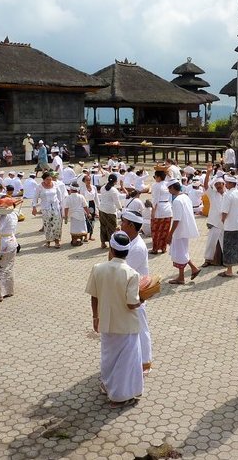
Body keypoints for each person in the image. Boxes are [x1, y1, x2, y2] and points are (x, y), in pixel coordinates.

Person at [86, 231, 143, 409]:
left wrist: (95, 317)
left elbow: (94, 296)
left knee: (108, 357)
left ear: (111, 249)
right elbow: (132, 303)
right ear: (127, 252)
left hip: (106, 322)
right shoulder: (132, 274)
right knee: (126, 362)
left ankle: (107, 385)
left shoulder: (98, 268)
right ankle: (119, 396)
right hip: (126, 325)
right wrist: (144, 298)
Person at [120, 210, 153, 373]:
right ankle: (135, 359)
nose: (120, 225)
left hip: (137, 293)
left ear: (131, 226)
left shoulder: (137, 247)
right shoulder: (130, 242)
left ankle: (145, 362)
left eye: (123, 222)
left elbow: (123, 270)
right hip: (130, 291)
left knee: (140, 327)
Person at [166, 180, 201, 284]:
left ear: (172, 188)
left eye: (169, 189)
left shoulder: (177, 200)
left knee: (179, 253)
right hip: (185, 229)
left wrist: (170, 234)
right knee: (182, 251)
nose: (169, 191)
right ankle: (193, 268)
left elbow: (177, 219)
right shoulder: (185, 197)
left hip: (179, 230)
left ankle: (182, 277)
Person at [219, 174, 238, 278]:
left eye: (227, 183)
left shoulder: (228, 195)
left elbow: (224, 211)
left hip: (230, 226)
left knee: (229, 247)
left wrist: (223, 220)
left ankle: (229, 270)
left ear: (231, 184)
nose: (225, 184)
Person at [201, 169, 225, 268]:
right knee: (211, 242)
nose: (218, 186)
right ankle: (208, 260)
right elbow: (206, 185)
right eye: (216, 184)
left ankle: (227, 262)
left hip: (225, 224)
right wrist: (207, 173)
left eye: (220, 184)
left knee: (224, 243)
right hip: (214, 223)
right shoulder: (213, 194)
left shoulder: (228, 195)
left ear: (223, 184)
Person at [33, 172, 64, 248]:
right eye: (47, 179)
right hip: (45, 208)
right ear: (43, 179)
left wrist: (61, 206)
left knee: (57, 224)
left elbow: (60, 196)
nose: (49, 181)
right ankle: (48, 241)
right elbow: (35, 197)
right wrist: (34, 207)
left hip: (55, 207)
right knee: (47, 224)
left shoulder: (55, 184)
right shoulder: (39, 187)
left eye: (50, 179)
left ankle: (57, 241)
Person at [150, 170, 172, 254]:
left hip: (159, 208)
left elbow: (155, 199)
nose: (155, 178)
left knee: (155, 230)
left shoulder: (156, 185)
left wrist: (153, 212)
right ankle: (163, 248)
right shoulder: (167, 184)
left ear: (158, 177)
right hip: (168, 208)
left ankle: (155, 248)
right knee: (165, 230)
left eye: (155, 176)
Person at [98, 174, 123, 249]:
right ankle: (111, 244)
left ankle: (102, 243)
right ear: (115, 181)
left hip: (102, 209)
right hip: (110, 211)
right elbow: (117, 201)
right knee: (112, 228)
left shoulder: (103, 188)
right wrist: (120, 208)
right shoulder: (113, 190)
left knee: (103, 226)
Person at [80, 173, 99, 241]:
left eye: (89, 180)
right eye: (87, 180)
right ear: (84, 181)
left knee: (92, 220)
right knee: (86, 220)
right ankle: (85, 236)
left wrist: (98, 208)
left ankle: (90, 235)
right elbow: (81, 199)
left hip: (92, 204)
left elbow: (96, 198)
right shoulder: (82, 188)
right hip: (85, 205)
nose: (88, 181)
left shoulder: (94, 187)